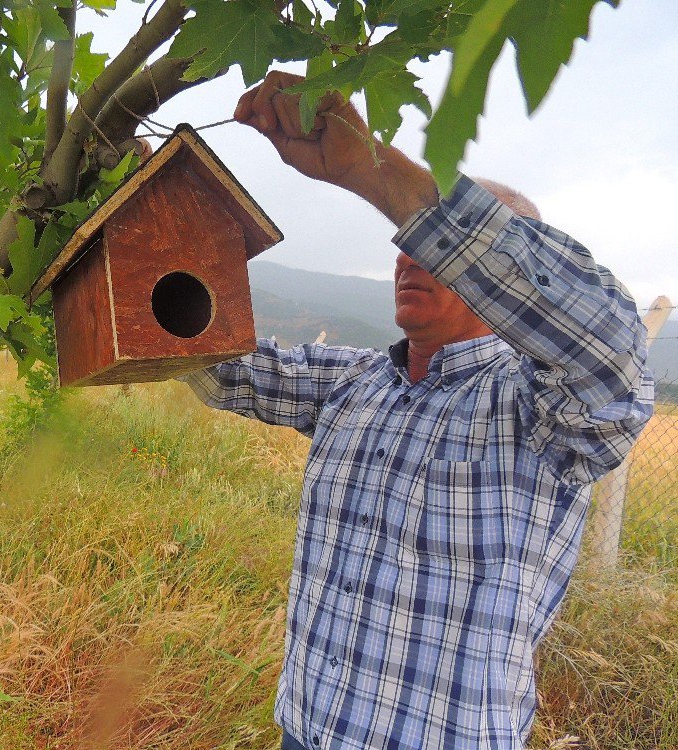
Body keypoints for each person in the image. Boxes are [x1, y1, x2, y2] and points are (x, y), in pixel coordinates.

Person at [179, 71, 655, 750]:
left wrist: (374, 171)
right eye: (407, 240)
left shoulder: (544, 412)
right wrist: (149, 216)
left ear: (505, 276)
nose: (406, 254)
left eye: (434, 243)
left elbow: (607, 347)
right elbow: (220, 366)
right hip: (304, 731)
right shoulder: (358, 384)